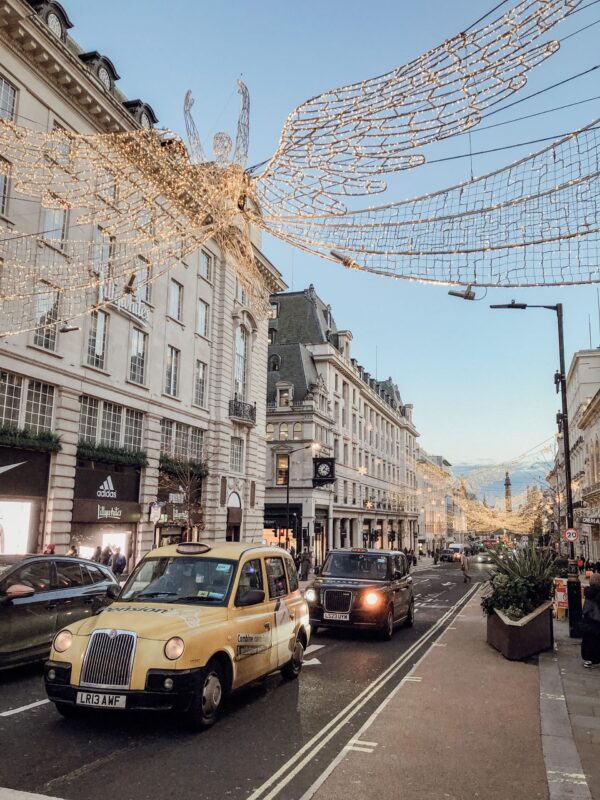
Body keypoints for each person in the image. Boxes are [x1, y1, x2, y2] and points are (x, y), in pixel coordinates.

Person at [581, 572, 600, 668]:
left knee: (588, 639)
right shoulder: (598, 593)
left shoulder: (588, 592)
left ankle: (588, 659)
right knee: (596, 640)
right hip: (597, 620)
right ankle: (595, 658)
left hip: (588, 619)